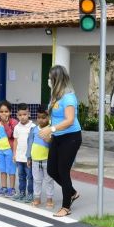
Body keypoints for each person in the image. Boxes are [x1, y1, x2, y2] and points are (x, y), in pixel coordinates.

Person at [40, 65, 82, 217]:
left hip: (71, 137)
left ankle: (66, 206)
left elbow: (70, 120)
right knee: (51, 169)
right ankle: (72, 192)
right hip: (57, 137)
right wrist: (50, 132)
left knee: (63, 170)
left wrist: (51, 130)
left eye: (51, 78)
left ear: (57, 79)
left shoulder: (69, 97)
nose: (49, 80)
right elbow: (56, 118)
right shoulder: (55, 96)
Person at [27, 109, 55, 208]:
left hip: (47, 160)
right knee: (37, 180)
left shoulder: (51, 128)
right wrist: (28, 157)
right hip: (35, 159)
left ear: (48, 117)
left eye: (44, 117)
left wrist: (49, 140)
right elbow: (29, 143)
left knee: (49, 180)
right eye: (39, 117)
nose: (41, 120)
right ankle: (37, 198)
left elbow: (54, 143)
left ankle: (49, 199)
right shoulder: (34, 129)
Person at [0, 100, 18, 197]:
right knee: (2, 169)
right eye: (1, 112)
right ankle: (4, 187)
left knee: (11, 170)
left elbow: (11, 135)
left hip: (10, 150)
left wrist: (5, 123)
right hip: (0, 150)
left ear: (10, 112)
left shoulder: (13, 122)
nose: (4, 113)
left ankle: (12, 188)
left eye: (6, 111)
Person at [13, 104, 35, 202]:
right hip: (19, 157)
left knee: (30, 177)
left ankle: (30, 194)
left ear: (29, 114)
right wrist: (14, 154)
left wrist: (31, 156)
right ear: (17, 115)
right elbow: (15, 141)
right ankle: (22, 192)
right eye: (20, 115)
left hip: (28, 158)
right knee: (21, 176)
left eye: (24, 114)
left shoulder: (33, 127)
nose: (22, 117)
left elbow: (34, 142)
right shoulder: (17, 127)